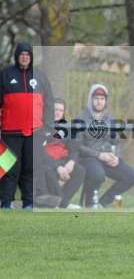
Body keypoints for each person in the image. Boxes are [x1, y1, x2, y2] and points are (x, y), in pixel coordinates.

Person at [0, 42, 54, 209]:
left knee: (30, 169)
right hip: (9, 132)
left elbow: (49, 104)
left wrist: (47, 128)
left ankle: (28, 203)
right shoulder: (5, 75)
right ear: (17, 56)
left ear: (31, 57)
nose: (25, 57)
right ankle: (6, 203)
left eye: (28, 54)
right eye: (22, 54)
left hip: (35, 132)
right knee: (9, 168)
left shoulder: (40, 77)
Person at [77, 84, 134, 207]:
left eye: (102, 99)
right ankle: (88, 203)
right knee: (97, 175)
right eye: (96, 98)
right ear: (90, 99)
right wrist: (99, 155)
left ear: (106, 101)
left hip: (108, 158)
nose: (99, 102)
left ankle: (103, 203)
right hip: (89, 158)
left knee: (131, 176)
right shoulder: (81, 119)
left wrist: (116, 156)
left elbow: (116, 142)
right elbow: (78, 146)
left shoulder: (110, 119)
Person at [38, 98, 85, 209]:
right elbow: (39, 151)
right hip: (46, 162)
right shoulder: (41, 126)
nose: (58, 112)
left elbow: (74, 149)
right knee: (48, 171)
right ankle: (62, 203)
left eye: (61, 110)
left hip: (62, 160)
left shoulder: (66, 128)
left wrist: (71, 162)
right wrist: (57, 166)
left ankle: (61, 202)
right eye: (55, 109)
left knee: (80, 171)